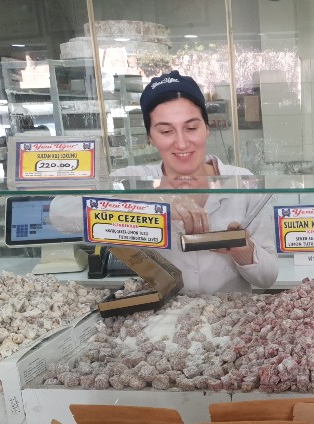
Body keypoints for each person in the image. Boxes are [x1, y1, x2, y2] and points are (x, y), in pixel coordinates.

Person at [51, 70, 278, 294]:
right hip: (162, 315)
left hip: (229, 314)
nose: (182, 143)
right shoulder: (133, 179)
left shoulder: (242, 182)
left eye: (191, 128)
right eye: (166, 131)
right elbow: (60, 213)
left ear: (207, 128)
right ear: (150, 136)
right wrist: (154, 201)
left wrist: (242, 249)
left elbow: (267, 278)